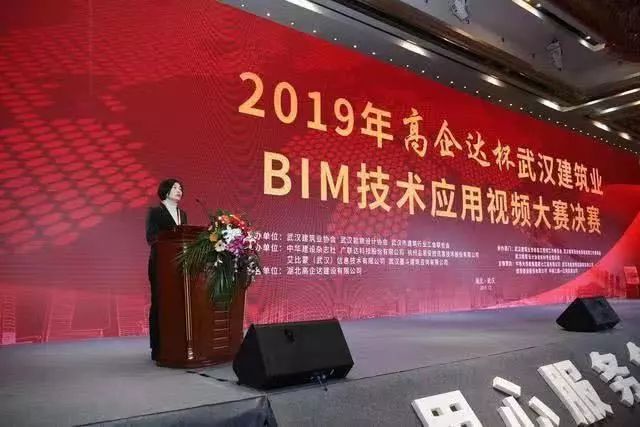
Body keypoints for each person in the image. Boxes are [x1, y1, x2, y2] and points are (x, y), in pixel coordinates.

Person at [145, 178, 188, 360]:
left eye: (180, 188)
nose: (179, 190)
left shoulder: (183, 214)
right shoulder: (155, 212)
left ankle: (175, 344)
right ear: (166, 190)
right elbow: (151, 237)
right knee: (160, 303)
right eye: (175, 187)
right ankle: (158, 347)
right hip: (161, 264)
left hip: (179, 265)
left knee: (178, 304)